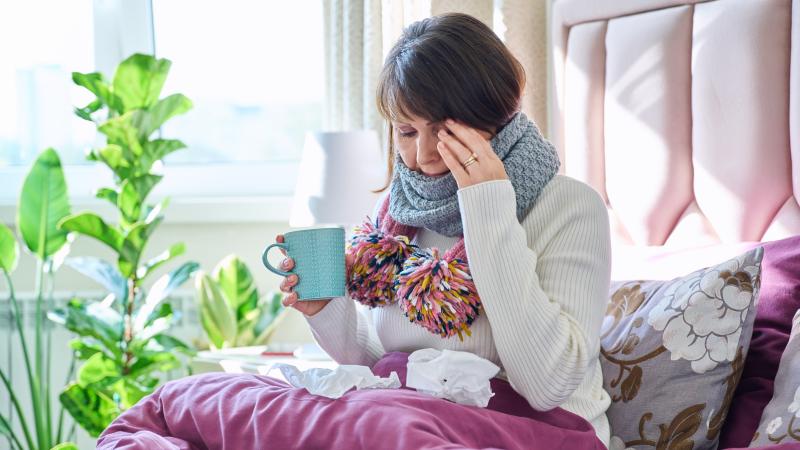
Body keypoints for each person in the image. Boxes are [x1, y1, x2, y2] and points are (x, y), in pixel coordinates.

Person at [276, 12, 612, 447]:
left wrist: (488, 205)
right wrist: (326, 308)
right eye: (407, 132)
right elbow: (384, 364)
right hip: (414, 422)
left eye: (446, 131)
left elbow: (548, 385)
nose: (424, 156)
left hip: (542, 432)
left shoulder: (571, 207)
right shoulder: (399, 215)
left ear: (495, 115)